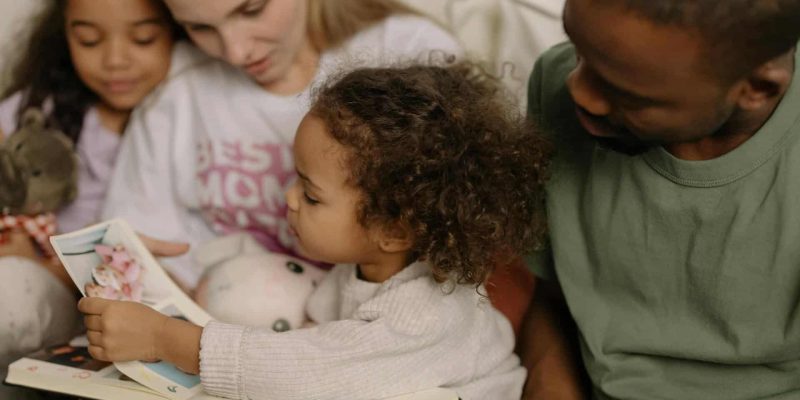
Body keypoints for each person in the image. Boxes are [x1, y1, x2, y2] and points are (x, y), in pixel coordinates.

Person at [78, 62, 550, 400]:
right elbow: (316, 335)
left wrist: (164, 339)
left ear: (394, 230)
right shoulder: (366, 269)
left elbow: (300, 370)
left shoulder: (425, 314)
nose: (287, 198)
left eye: (311, 194)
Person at [517, 0, 800, 399]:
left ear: (756, 89)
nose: (578, 90)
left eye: (628, 95)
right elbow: (554, 300)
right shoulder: (556, 82)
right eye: (578, 49)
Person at [101, 0, 464, 290]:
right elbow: (136, 245)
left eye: (251, 9)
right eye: (200, 27)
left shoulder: (409, 51)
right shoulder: (180, 84)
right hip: (216, 314)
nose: (236, 51)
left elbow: (453, 226)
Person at [0, 0, 183, 394]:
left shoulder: (181, 115)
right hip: (45, 290)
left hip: (126, 299)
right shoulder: (42, 109)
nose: (115, 60)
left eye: (143, 38)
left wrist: (53, 268)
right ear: (64, 36)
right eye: (88, 40)